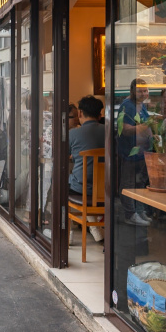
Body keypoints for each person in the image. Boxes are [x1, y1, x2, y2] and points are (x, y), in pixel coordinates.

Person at [69, 95, 106, 243]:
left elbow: (60, 157)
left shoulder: (73, 134)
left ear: (80, 113)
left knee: (58, 180)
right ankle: (95, 228)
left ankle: (66, 233)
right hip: (106, 191)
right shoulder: (110, 131)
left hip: (81, 189)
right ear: (99, 115)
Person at [117, 78, 153, 226]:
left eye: (145, 90)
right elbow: (125, 130)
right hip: (129, 153)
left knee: (140, 183)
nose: (143, 93)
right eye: (140, 91)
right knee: (128, 183)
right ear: (132, 91)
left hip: (142, 152)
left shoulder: (141, 106)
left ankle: (139, 210)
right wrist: (145, 127)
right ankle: (130, 214)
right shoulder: (128, 106)